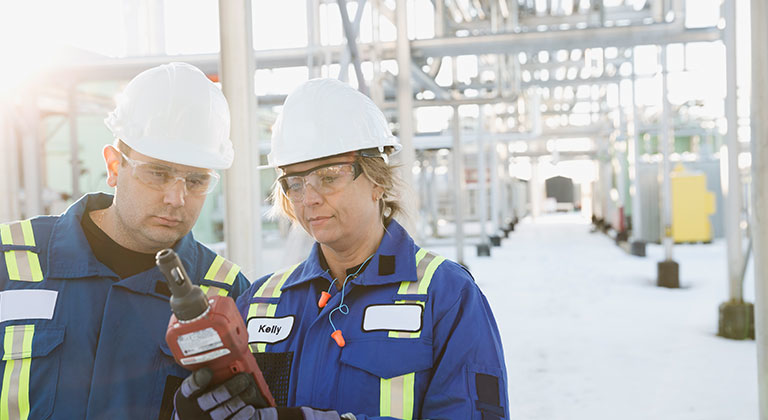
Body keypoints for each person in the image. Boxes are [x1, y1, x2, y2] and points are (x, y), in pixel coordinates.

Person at [174, 78, 509, 420]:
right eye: (295, 182)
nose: (310, 198)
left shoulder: (447, 295)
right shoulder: (260, 303)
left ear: (378, 180)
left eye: (329, 176)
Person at [0, 62, 250, 420]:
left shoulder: (227, 293)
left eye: (196, 181)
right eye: (158, 174)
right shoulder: (11, 259)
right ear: (114, 167)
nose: (176, 198)